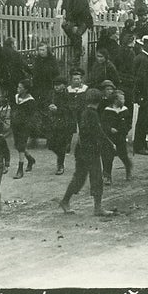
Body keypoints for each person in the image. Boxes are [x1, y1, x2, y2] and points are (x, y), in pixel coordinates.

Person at [59, 88, 115, 216]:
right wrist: (110, 144)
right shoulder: (93, 114)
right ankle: (98, 208)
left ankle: (65, 201)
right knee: (96, 177)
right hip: (91, 150)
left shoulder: (85, 112)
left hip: (81, 149)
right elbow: (98, 132)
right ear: (98, 101)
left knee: (79, 177)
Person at [101, 89, 133, 184]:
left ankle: (128, 170)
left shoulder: (125, 110)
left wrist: (124, 131)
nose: (123, 101)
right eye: (121, 99)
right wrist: (109, 129)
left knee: (123, 155)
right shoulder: (107, 111)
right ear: (115, 100)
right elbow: (103, 123)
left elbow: (129, 123)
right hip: (110, 138)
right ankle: (107, 176)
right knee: (108, 157)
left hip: (121, 137)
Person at [47, 76, 75, 176]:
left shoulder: (68, 95)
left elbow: (70, 109)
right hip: (53, 122)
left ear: (64, 85)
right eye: (55, 85)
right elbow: (46, 102)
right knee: (51, 145)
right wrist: (49, 107)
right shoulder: (52, 94)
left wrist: (57, 109)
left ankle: (60, 165)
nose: (56, 87)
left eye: (58, 85)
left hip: (64, 123)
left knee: (60, 145)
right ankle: (61, 154)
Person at [11, 79, 37, 179]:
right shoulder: (16, 97)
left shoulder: (30, 101)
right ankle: (30, 159)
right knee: (18, 145)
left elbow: (31, 116)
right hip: (15, 125)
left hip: (24, 126)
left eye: (20, 87)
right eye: (18, 87)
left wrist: (28, 125)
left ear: (26, 90)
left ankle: (20, 169)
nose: (18, 89)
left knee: (21, 144)